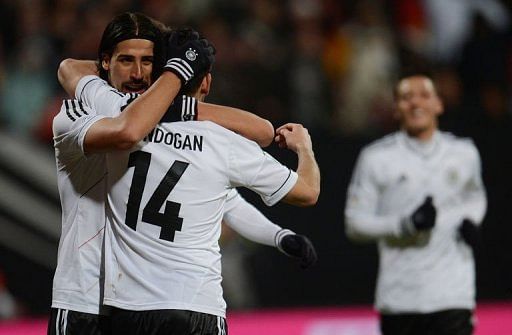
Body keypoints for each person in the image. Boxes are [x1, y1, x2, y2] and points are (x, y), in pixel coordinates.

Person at [50, 13, 317, 335]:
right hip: (84, 296)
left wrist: (278, 235)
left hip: (132, 304)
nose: (137, 73)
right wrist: (176, 85)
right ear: (104, 63)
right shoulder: (82, 112)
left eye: (148, 61)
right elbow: (113, 112)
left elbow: (227, 197)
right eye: (125, 60)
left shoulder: (169, 126)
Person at [344, 72, 486, 335]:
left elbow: (475, 196)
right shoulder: (376, 158)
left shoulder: (464, 153)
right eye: (406, 97)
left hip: (453, 295)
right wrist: (405, 224)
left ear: (438, 104)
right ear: (396, 109)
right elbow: (354, 224)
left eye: (424, 95)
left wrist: (472, 220)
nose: (415, 103)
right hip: (400, 298)